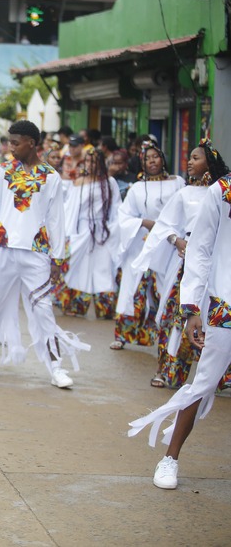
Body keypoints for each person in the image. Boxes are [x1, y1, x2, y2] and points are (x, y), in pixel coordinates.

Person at [127, 152, 231, 490]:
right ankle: (169, 458)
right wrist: (191, 308)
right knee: (203, 383)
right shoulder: (223, 191)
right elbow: (199, 250)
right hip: (225, 302)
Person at [0, 120, 89, 389]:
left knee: (43, 309)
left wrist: (58, 256)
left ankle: (56, 367)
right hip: (1, 248)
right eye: (9, 142)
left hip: (37, 252)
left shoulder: (51, 176)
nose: (10, 147)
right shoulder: (2, 171)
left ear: (31, 143)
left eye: (15, 142)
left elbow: (56, 219)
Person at [131, 139, 231, 389]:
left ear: (210, 162)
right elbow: (166, 225)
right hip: (188, 267)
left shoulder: (221, 192)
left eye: (196, 158)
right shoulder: (184, 194)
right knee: (177, 318)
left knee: (220, 320)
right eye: (190, 158)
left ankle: (220, 378)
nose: (189, 162)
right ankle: (168, 372)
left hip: (220, 268)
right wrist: (176, 241)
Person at [111, 141, 185, 350]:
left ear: (162, 158)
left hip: (169, 245)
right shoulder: (136, 188)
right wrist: (144, 223)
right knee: (132, 289)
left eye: (155, 156)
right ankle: (124, 335)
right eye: (147, 158)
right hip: (142, 244)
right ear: (141, 163)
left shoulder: (177, 183)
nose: (152, 161)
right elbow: (124, 216)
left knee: (165, 289)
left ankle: (165, 338)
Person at [61, 149, 121, 319]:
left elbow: (116, 207)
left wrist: (113, 229)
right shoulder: (79, 182)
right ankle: (76, 305)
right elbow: (70, 208)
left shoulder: (110, 182)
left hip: (102, 231)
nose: (90, 165)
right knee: (77, 267)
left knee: (103, 268)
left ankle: (105, 308)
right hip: (81, 230)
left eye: (94, 162)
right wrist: (68, 232)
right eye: (88, 161)